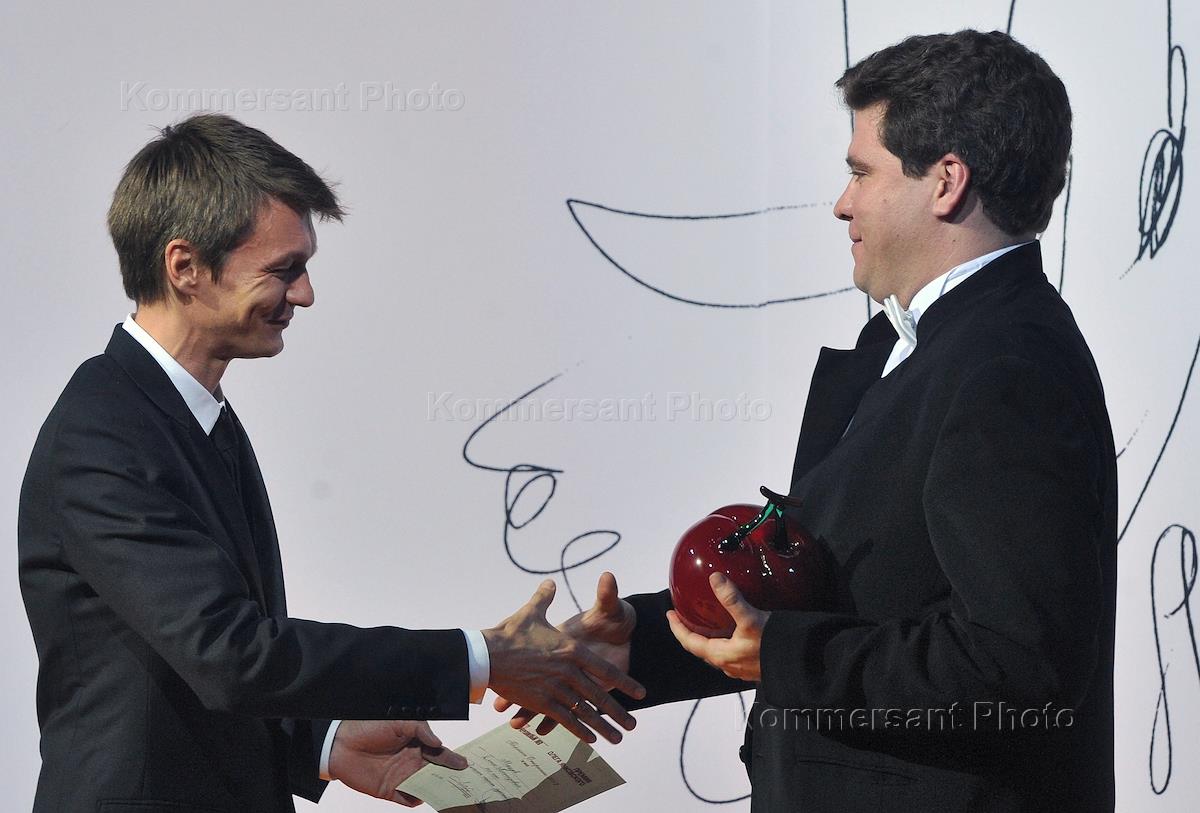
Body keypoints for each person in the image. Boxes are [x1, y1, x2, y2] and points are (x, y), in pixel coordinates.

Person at [502, 29, 1117, 812]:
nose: (842, 203)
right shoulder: (908, 348)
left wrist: (786, 655)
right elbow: (832, 600)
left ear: (946, 182)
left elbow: (1019, 661)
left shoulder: (1010, 364)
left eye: (861, 172)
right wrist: (639, 641)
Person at [18, 113, 644, 813]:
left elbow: (182, 665)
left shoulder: (189, 416)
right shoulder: (104, 433)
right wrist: (483, 657)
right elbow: (230, 653)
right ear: (184, 266)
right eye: (284, 269)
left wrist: (321, 743)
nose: (305, 294)